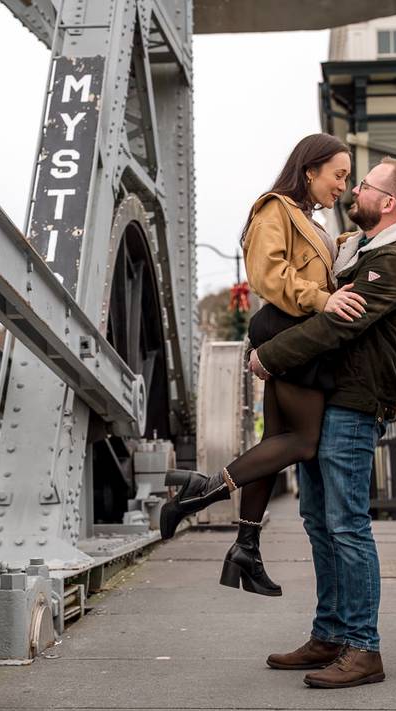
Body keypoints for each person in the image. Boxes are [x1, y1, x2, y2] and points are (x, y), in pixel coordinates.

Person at [160, 134, 367, 596]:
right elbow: (269, 275)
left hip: (294, 333)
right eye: (339, 175)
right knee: (303, 441)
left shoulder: (308, 221)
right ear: (310, 169)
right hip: (289, 334)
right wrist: (325, 298)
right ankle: (197, 493)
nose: (343, 186)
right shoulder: (274, 209)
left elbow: (308, 264)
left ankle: (245, 548)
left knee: (275, 442)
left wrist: (348, 245)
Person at [249, 156, 396, 688]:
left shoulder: (393, 263)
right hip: (330, 402)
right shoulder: (362, 250)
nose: (355, 191)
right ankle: (329, 635)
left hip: (354, 404)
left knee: (346, 525)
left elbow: (334, 327)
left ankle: (364, 648)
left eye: (364, 185)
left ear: (387, 202)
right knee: (320, 522)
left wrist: (268, 356)